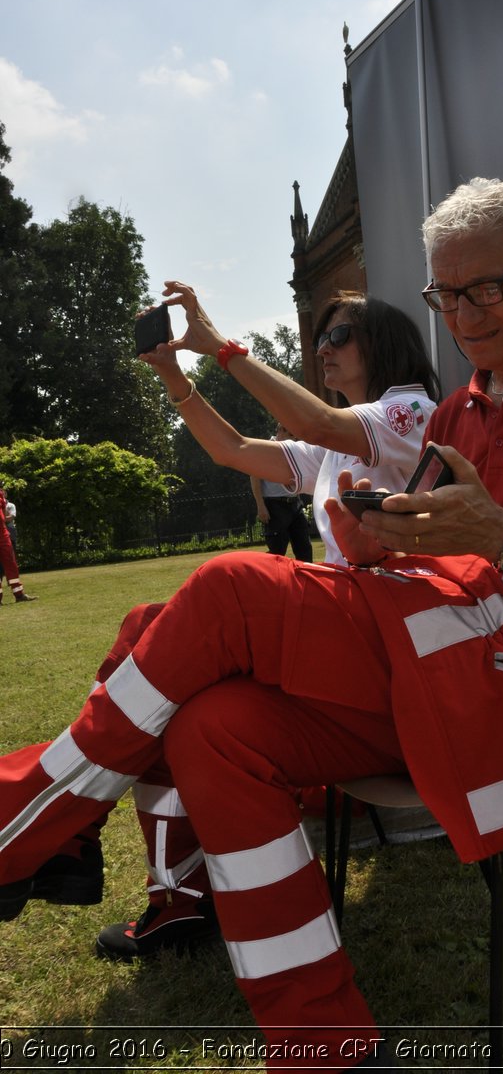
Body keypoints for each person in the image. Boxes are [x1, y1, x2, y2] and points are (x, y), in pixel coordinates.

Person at [0, 179, 503, 1072]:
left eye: (487, 287)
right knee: (217, 731)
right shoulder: (459, 410)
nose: (466, 313)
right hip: (448, 665)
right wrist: (385, 541)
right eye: (447, 294)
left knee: (224, 590)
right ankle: (322, 1042)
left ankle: (27, 825)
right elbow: (434, 552)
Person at [1, 290, 439, 964]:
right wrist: (173, 376)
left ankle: (65, 828)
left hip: (389, 663)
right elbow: (232, 448)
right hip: (349, 646)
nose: (322, 347)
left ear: (384, 343)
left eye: (340, 333)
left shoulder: (410, 410)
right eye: (320, 335)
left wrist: (226, 351)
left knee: (205, 605)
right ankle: (173, 892)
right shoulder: (341, 440)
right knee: (148, 632)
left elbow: (321, 423)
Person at [249, 426, 314, 562]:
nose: (295, 440)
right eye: (292, 436)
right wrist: (260, 506)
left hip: (295, 503)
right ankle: (269, 579)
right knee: (277, 551)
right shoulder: (265, 449)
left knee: (304, 548)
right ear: (280, 431)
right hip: (274, 505)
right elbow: (254, 477)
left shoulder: (293, 449)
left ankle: (306, 580)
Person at [0, 484, 35, 605]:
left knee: (11, 563)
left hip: (3, 534)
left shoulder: (0, 496)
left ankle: (19, 595)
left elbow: (3, 515)